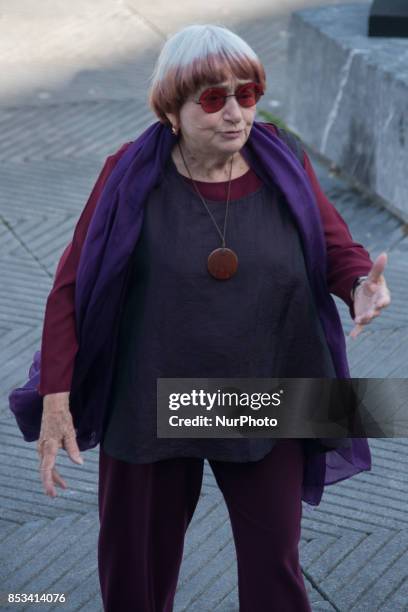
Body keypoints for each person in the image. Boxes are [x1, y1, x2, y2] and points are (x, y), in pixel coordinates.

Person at [12, 23, 391, 612]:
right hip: (152, 396)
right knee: (135, 575)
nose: (236, 113)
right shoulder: (127, 173)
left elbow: (335, 246)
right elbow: (70, 287)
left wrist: (358, 286)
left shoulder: (283, 156)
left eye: (247, 93)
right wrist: (57, 394)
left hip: (269, 387)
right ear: (173, 108)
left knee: (276, 574)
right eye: (213, 99)